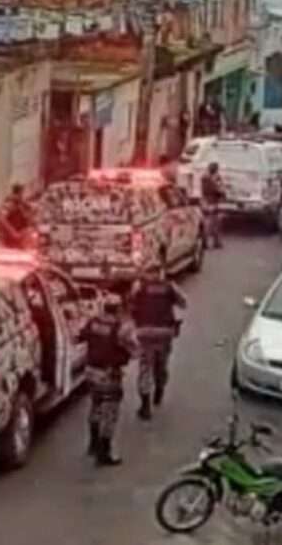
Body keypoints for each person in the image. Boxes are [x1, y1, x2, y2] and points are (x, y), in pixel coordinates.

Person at [78, 293, 138, 466]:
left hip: (91, 371)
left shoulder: (93, 322)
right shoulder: (121, 328)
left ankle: (93, 443)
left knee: (95, 405)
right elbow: (134, 349)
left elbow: (81, 335)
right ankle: (104, 453)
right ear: (119, 308)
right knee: (110, 412)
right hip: (109, 374)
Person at [129, 267, 187, 420]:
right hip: (164, 332)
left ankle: (145, 406)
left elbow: (131, 304)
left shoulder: (139, 286)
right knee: (162, 364)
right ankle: (159, 388)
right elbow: (183, 303)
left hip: (144, 332)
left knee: (145, 368)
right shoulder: (169, 286)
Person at [201, 162, 226, 249]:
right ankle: (212, 241)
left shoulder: (205, 177)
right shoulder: (211, 179)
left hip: (206, 201)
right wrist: (222, 192)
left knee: (211, 222)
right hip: (212, 201)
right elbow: (218, 190)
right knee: (213, 222)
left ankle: (214, 241)